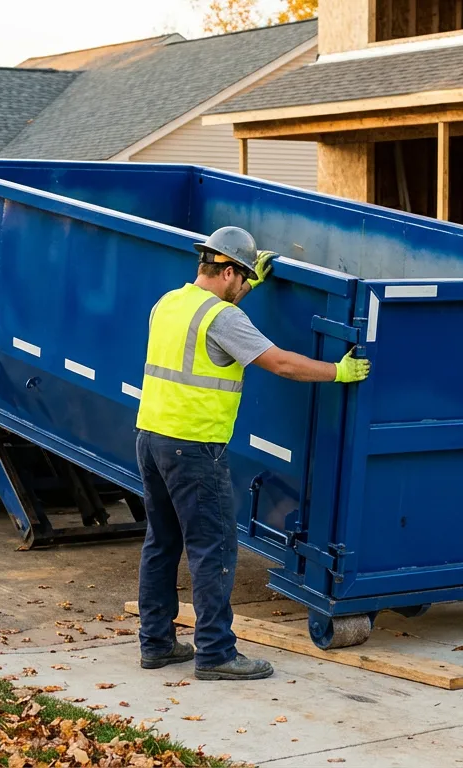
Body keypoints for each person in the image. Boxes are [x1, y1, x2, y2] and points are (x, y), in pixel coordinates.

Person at [134, 226, 370, 680]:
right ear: (227, 271)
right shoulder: (223, 318)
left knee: (161, 543)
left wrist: (245, 292)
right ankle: (217, 654)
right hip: (194, 447)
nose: (244, 286)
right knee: (214, 547)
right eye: (242, 279)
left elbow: (210, 332)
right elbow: (280, 362)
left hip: (151, 438)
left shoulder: (168, 303)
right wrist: (337, 372)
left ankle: (157, 643)